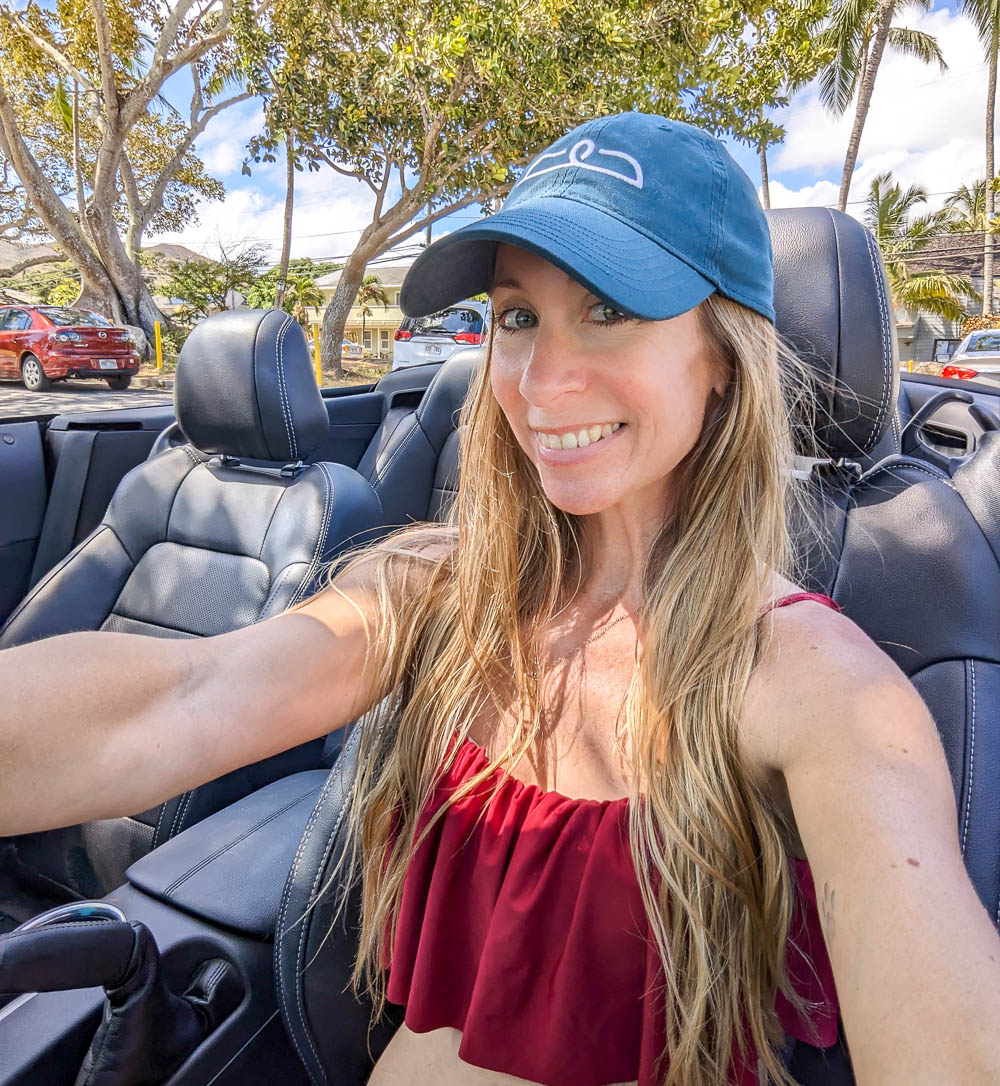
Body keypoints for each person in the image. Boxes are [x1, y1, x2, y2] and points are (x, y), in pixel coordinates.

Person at [2, 112, 1000, 1086]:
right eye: (517, 316)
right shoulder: (440, 587)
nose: (541, 378)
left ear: (723, 364)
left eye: (610, 309)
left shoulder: (821, 692)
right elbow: (180, 700)